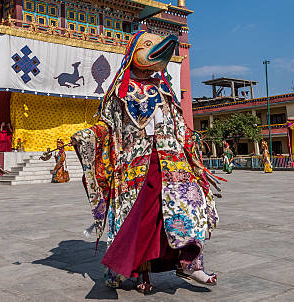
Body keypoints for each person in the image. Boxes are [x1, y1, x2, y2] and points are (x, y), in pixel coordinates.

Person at [72, 32, 219, 294]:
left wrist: (190, 143)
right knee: (141, 219)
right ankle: (141, 270)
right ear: (132, 54)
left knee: (188, 208)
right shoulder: (120, 90)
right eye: (147, 45)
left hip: (172, 162)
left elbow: (177, 124)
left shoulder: (165, 88)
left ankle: (190, 262)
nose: (155, 50)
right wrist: (90, 135)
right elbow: (108, 126)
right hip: (135, 165)